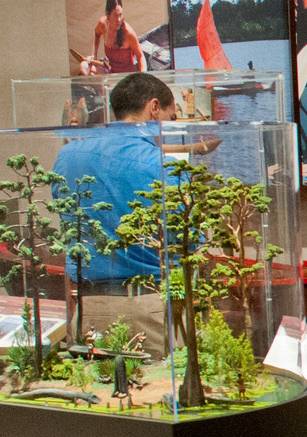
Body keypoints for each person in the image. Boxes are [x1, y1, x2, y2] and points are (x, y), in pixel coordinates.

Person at [51, 72, 216, 348]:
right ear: (154, 107)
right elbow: (188, 242)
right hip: (154, 309)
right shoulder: (166, 166)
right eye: (171, 117)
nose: (169, 126)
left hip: (88, 309)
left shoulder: (68, 156)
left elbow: (64, 216)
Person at [86, 0, 144, 74]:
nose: (119, 20)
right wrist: (94, 55)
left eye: (120, 15)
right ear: (107, 15)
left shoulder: (128, 33)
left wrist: (142, 76)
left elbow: (140, 56)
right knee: (84, 66)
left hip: (127, 75)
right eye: (115, 16)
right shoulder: (103, 24)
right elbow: (96, 34)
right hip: (111, 71)